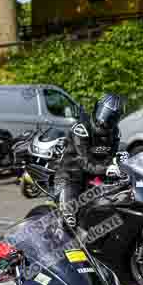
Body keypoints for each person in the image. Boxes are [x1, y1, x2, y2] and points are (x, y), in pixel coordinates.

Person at [53, 93, 127, 228]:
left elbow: (112, 157)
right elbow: (83, 162)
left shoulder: (115, 132)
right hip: (70, 176)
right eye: (104, 114)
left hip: (96, 178)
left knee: (112, 207)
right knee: (69, 220)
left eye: (111, 118)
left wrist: (122, 163)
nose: (104, 121)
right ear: (97, 109)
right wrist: (107, 168)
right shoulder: (82, 128)